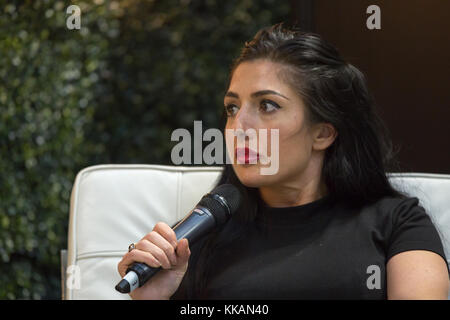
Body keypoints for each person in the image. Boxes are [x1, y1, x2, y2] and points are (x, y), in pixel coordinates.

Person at [117, 23, 450, 300]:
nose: (238, 128)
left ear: (323, 133)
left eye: (267, 106)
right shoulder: (194, 243)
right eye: (232, 109)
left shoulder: (398, 224)